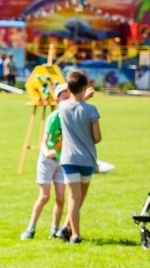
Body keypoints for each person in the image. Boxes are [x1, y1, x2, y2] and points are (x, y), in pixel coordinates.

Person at [21, 83, 69, 240]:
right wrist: (46, 151)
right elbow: (44, 140)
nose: (67, 98)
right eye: (63, 95)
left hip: (62, 162)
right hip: (47, 161)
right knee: (45, 196)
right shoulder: (53, 118)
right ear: (57, 99)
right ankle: (31, 228)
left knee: (61, 198)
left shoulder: (71, 118)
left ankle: (55, 229)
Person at [58, 69, 101, 244]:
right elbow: (97, 137)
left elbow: (72, 104)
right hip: (86, 159)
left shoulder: (62, 106)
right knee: (79, 198)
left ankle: (66, 227)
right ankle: (75, 235)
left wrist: (82, 97)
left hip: (68, 159)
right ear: (84, 87)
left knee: (73, 198)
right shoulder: (91, 110)